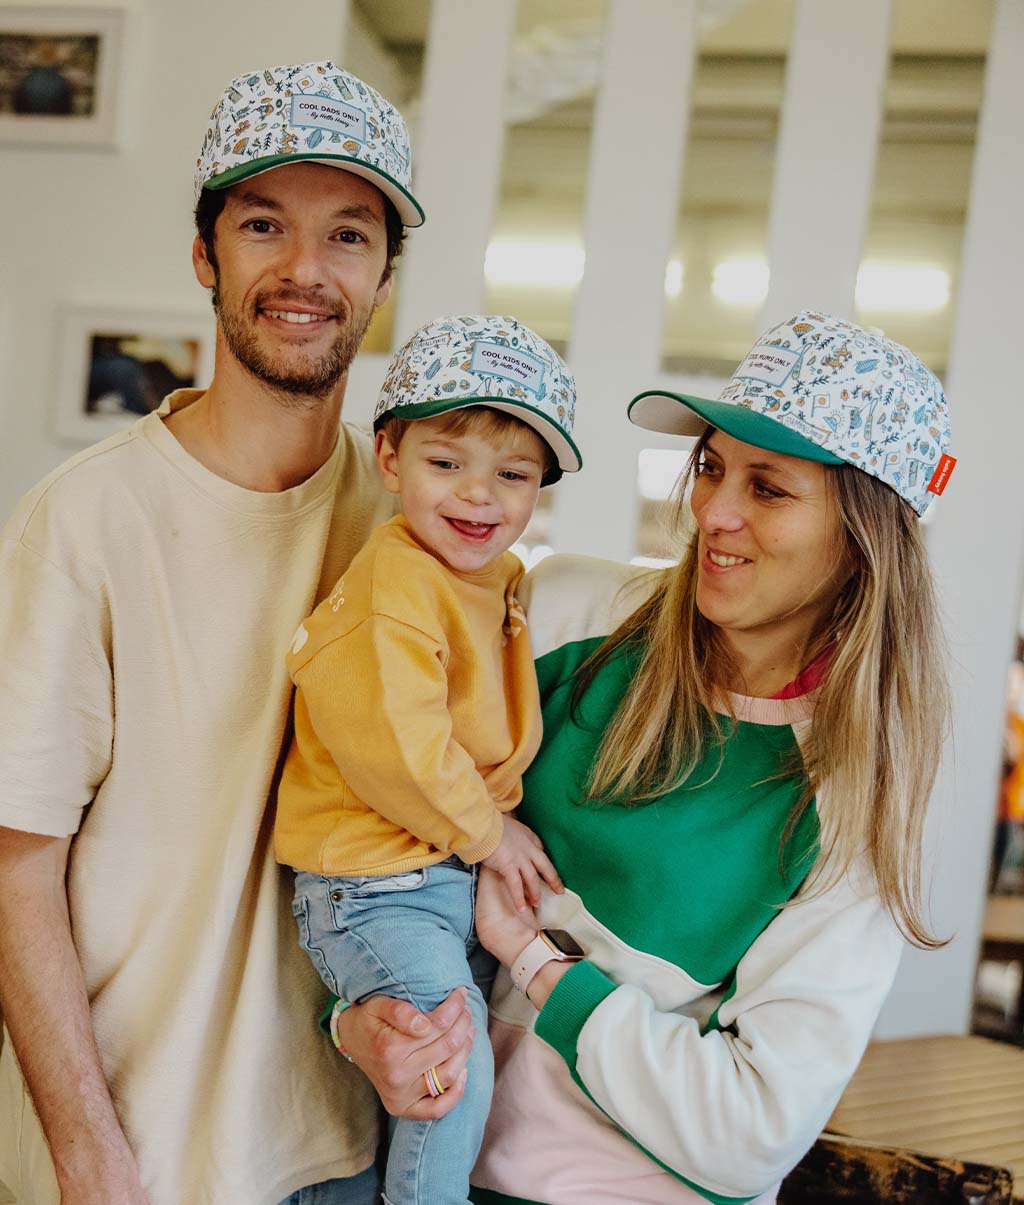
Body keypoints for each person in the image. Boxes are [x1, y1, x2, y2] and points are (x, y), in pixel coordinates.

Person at [0, 60, 472, 1205]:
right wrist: (86, 1152)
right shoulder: (89, 514)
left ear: (385, 278)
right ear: (207, 255)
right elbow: (18, 862)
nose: (305, 270)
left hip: (341, 1146)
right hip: (129, 1153)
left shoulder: (415, 528)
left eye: (349, 236)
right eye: (266, 225)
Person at [459, 310, 953, 1204]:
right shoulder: (566, 615)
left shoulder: (848, 802)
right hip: (421, 1169)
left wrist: (536, 963)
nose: (711, 512)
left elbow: (749, 1135)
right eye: (713, 467)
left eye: (769, 488)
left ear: (862, 536)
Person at [277, 314, 581, 1205]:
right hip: (375, 882)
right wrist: (489, 833)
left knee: (423, 1076)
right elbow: (397, 748)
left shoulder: (492, 576)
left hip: (434, 873)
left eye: (513, 474)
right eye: (447, 463)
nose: (479, 496)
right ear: (390, 459)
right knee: (451, 1068)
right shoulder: (396, 585)